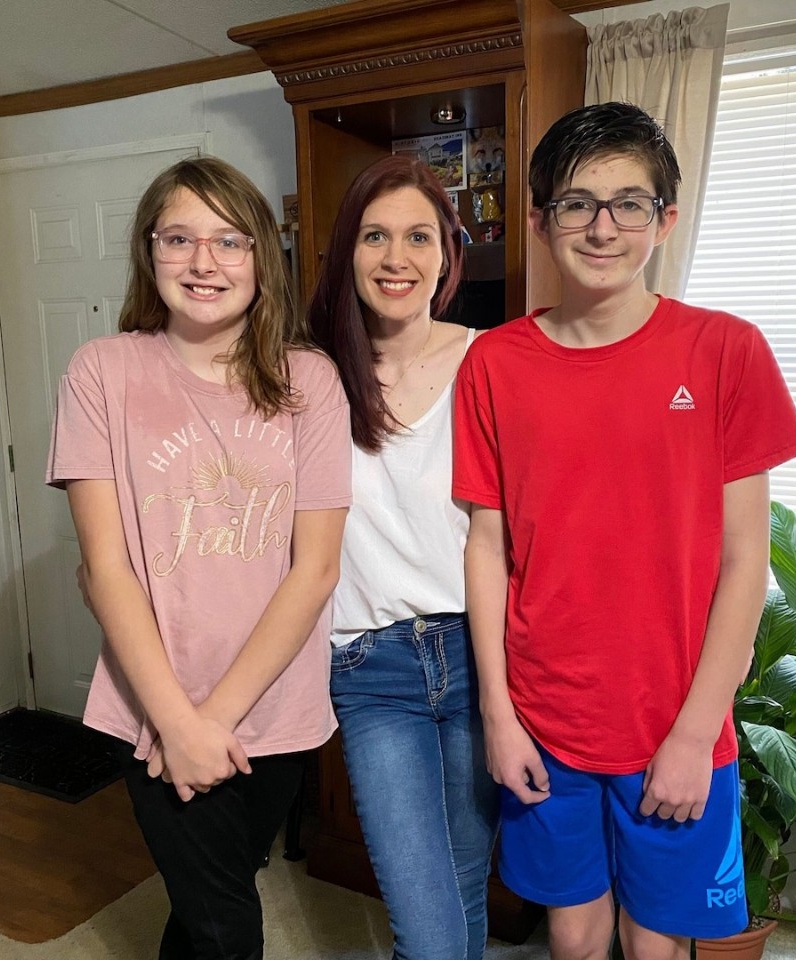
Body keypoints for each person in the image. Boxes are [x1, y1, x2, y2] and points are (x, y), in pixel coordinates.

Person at [453, 102, 796, 960]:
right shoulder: (494, 362)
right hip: (545, 715)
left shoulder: (726, 350)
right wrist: (499, 715)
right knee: (573, 937)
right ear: (540, 220)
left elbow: (745, 561)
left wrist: (695, 733)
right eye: (577, 203)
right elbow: (487, 550)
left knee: (656, 944)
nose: (602, 226)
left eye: (629, 203)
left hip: (674, 720)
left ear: (666, 218)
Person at [47, 156, 351, 960]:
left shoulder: (310, 380)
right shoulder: (102, 371)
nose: (203, 261)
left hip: (275, 709)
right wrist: (178, 723)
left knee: (209, 903)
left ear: (261, 257)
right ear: (149, 252)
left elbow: (316, 568)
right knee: (226, 929)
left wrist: (212, 723)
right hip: (153, 709)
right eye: (178, 238)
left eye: (229, 240)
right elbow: (105, 568)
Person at [307, 154, 499, 960]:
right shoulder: (309, 373)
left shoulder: (491, 358)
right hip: (371, 666)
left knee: (466, 884)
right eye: (375, 236)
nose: (397, 257)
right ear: (347, 252)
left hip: (481, 653)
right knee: (426, 926)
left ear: (449, 252)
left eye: (419, 236)